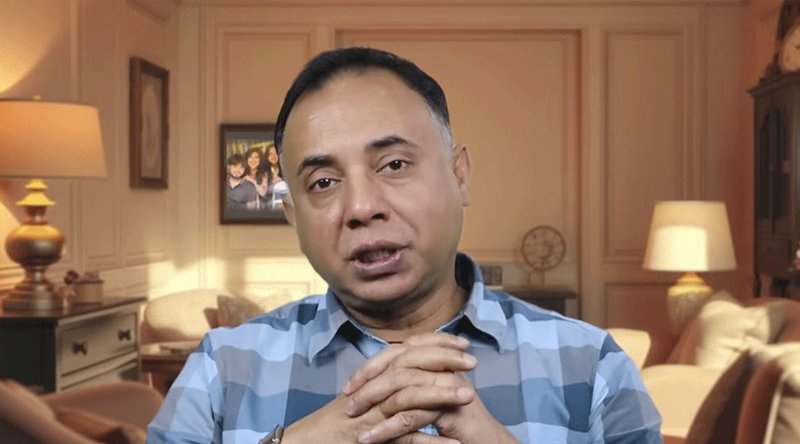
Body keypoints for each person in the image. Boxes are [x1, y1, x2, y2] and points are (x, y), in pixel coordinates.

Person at [148, 47, 662, 443]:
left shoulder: (592, 367)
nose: (361, 207)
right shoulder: (222, 369)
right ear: (293, 216)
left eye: (393, 165)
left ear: (459, 176)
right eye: (323, 182)